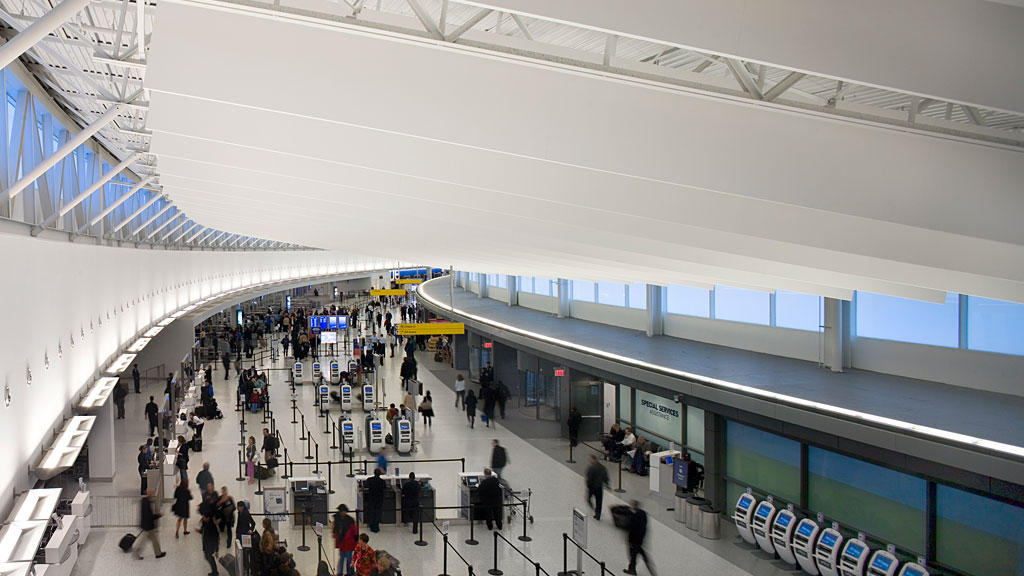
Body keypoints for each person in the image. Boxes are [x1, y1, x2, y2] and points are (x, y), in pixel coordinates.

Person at [623, 500, 655, 576]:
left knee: (633, 555)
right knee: (638, 555)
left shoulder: (634, 516)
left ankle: (632, 570)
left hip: (635, 540)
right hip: (640, 540)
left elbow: (632, 529)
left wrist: (629, 540)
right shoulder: (643, 514)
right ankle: (634, 569)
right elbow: (643, 528)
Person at [135, 489, 166, 559]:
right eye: (152, 493)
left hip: (146, 524)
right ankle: (157, 553)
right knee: (149, 539)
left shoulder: (143, 501)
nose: (153, 495)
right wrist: (158, 515)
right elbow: (149, 516)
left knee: (149, 539)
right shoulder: (147, 503)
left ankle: (157, 553)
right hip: (149, 525)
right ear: (149, 494)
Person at [333, 504, 358, 576]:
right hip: (342, 543)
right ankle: (340, 572)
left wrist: (356, 541)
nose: (343, 513)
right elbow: (335, 530)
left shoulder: (350, 520)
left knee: (349, 559)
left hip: (349, 543)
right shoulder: (337, 519)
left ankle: (350, 572)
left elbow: (355, 531)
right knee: (342, 558)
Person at [585, 455, 609, 520]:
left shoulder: (591, 468)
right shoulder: (603, 467)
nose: (590, 460)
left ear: (593, 459)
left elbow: (589, 477)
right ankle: (598, 515)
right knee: (599, 501)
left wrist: (588, 485)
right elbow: (605, 477)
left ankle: (592, 506)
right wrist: (607, 484)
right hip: (599, 487)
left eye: (590, 459)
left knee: (589, 498)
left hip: (592, 487)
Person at [364, 469, 386, 533]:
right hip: (379, 499)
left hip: (372, 499)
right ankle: (376, 527)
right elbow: (385, 487)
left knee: (372, 512)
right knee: (378, 513)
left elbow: (365, 485)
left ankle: (372, 526)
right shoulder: (382, 481)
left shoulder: (370, 480)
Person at [201, 511, 221, 576]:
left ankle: (215, 572)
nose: (202, 518)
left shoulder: (212, 526)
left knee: (209, 557)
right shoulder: (206, 523)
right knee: (208, 557)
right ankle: (214, 571)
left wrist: (216, 550)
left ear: (208, 518)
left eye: (204, 517)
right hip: (206, 544)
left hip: (210, 545)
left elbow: (216, 538)